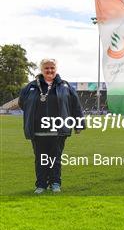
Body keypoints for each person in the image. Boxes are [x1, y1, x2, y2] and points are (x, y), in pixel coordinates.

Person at [18, 59, 85, 194]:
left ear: (56, 69)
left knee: (55, 158)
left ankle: (55, 183)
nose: (49, 71)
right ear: (41, 70)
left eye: (52, 68)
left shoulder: (65, 86)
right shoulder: (30, 87)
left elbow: (75, 106)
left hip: (58, 130)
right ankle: (41, 184)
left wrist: (79, 124)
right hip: (38, 131)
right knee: (40, 158)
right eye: (46, 68)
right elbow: (22, 103)